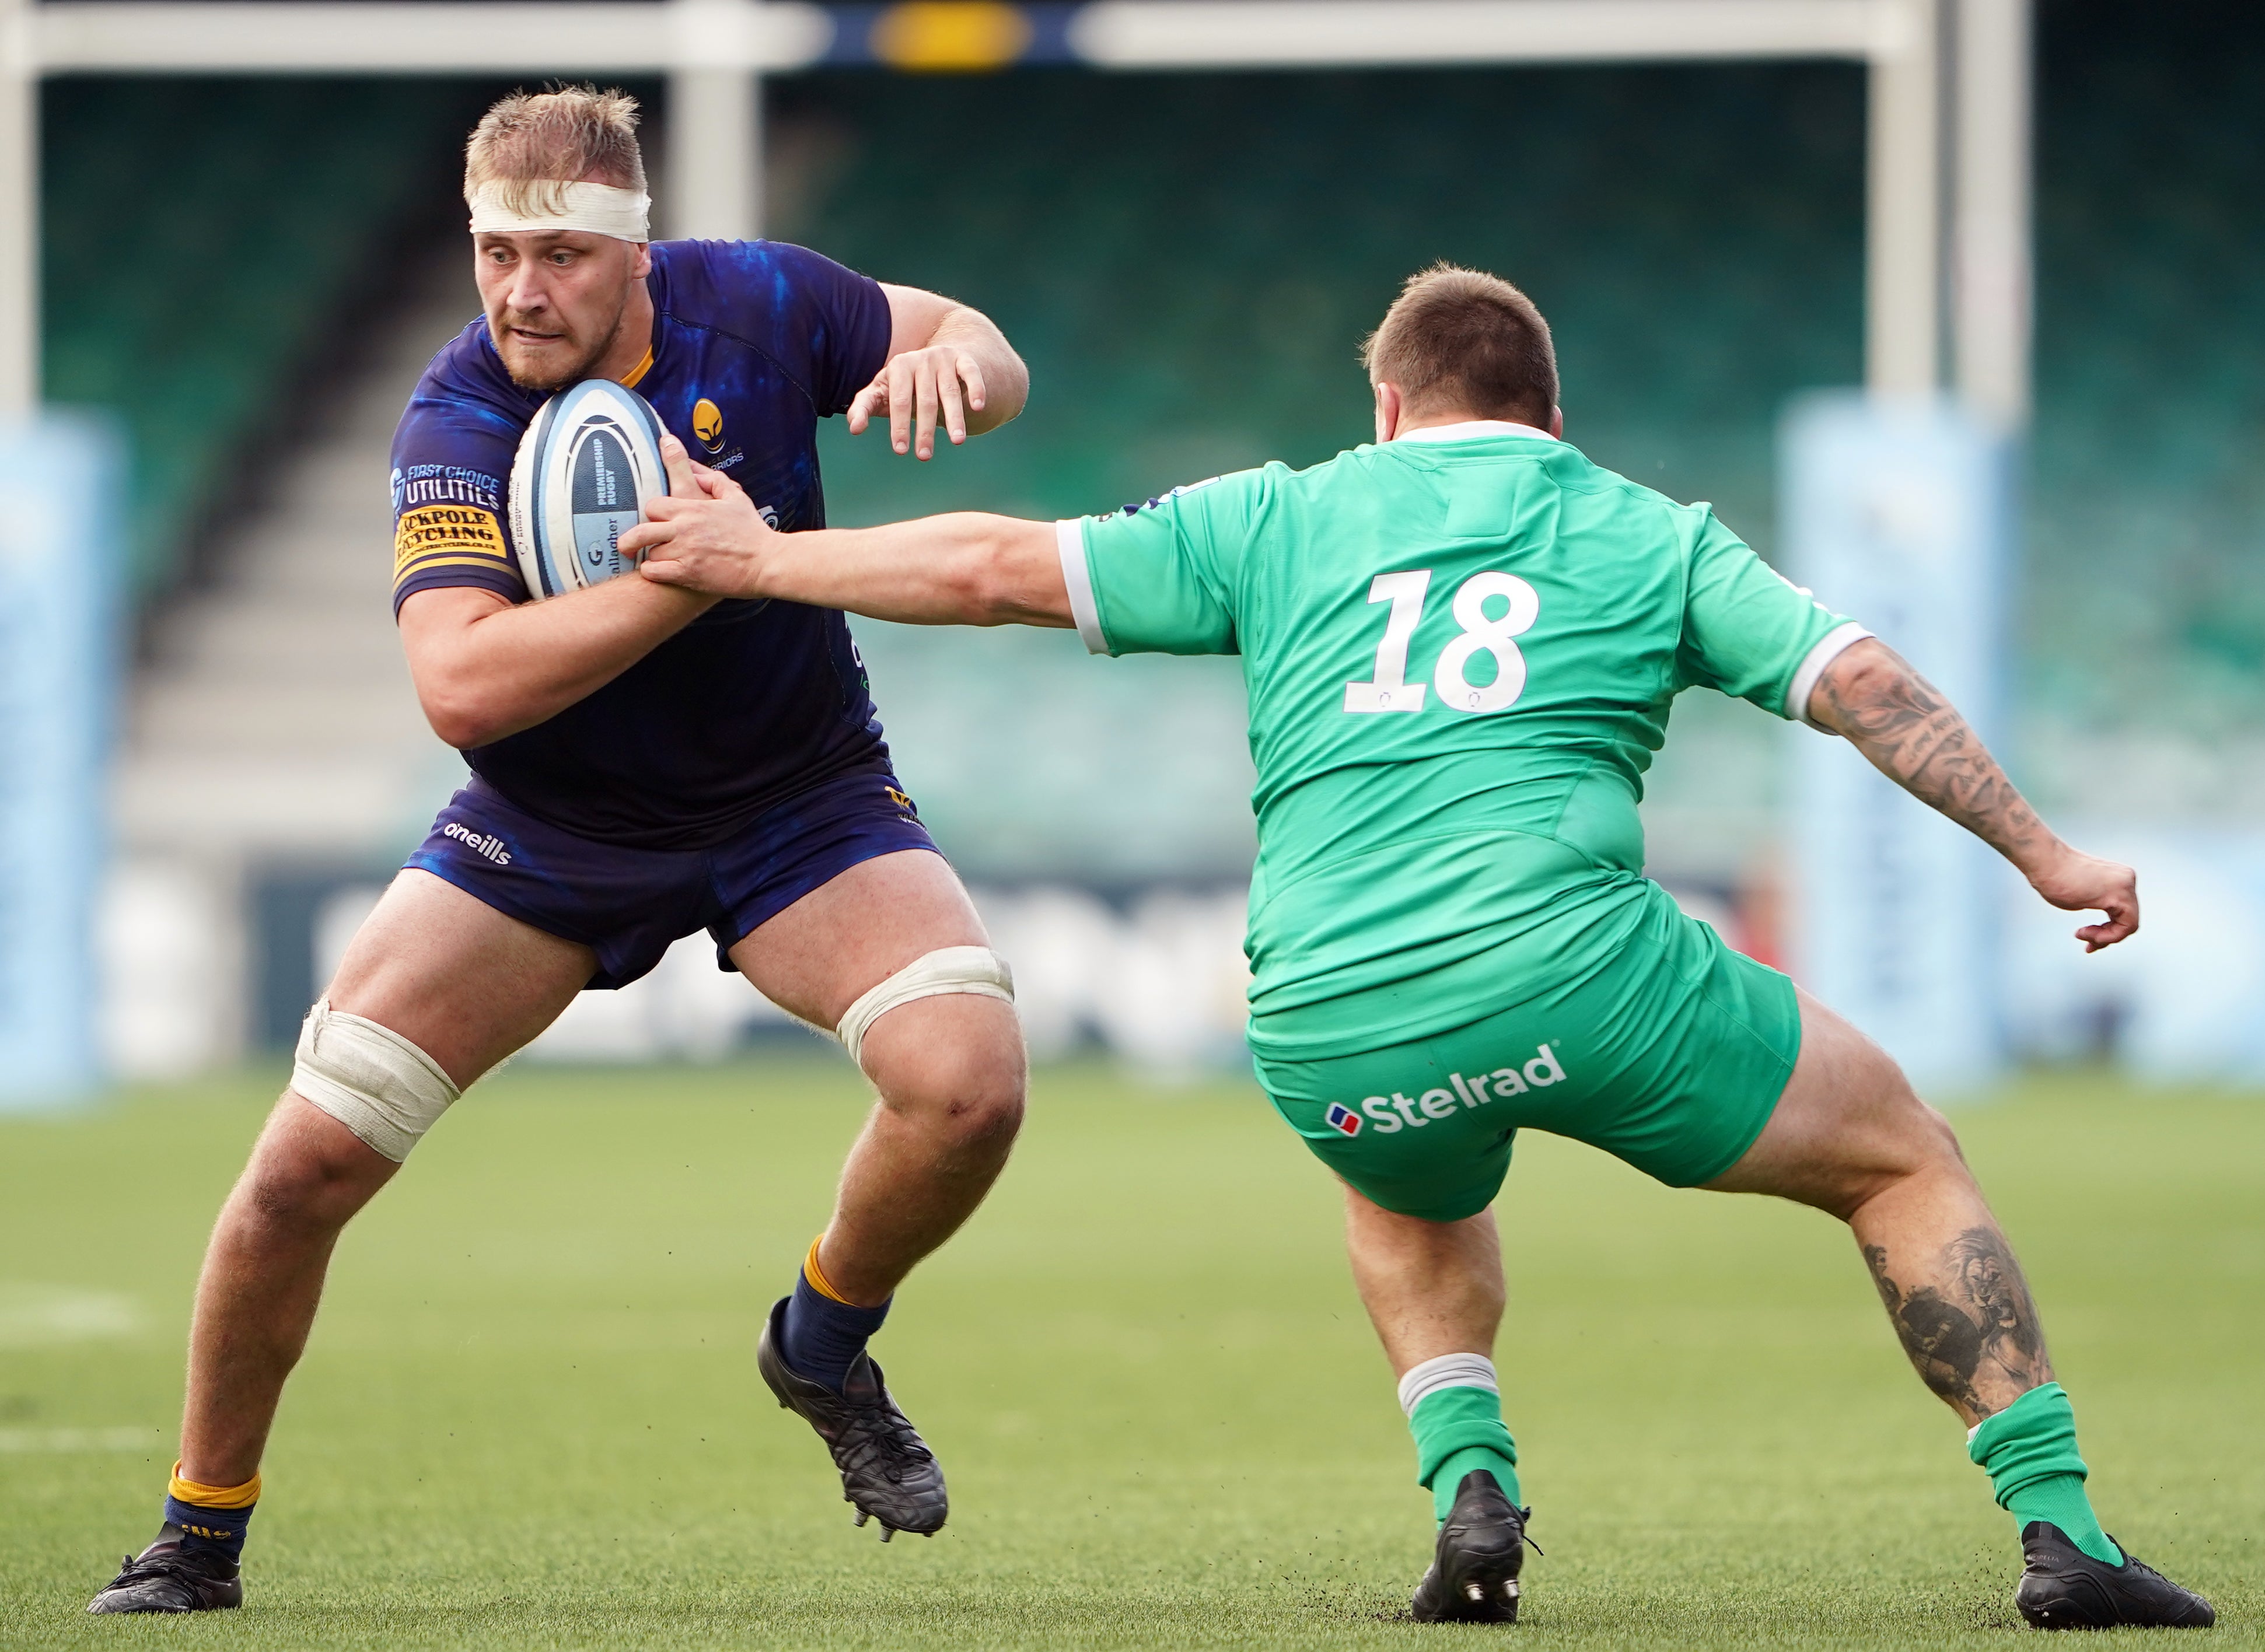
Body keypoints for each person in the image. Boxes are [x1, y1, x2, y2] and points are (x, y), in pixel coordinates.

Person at [613, 264, 2216, 1630]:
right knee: (1896, 1159)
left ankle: (1472, 1502)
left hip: (1320, 1014)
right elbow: (1862, 687)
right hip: (1575, 970)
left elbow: (985, 569)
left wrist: (758, 560)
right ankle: (2061, 1527)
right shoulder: (1645, 531)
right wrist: (2045, 851)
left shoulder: (1282, 512)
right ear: (1552, 422)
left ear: (1385, 410)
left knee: (1405, 1181)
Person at [89, 86, 1031, 1616]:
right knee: (297, 1172)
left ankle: (819, 1340)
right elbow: (460, 684)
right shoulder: (456, 415)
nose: (523, 291)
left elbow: (975, 345)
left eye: (561, 257)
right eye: (493, 252)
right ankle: (197, 1534)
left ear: (637, 254)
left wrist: (955, 367)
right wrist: (707, 576)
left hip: (799, 794)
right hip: (550, 829)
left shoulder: (764, 298)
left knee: (969, 1083)